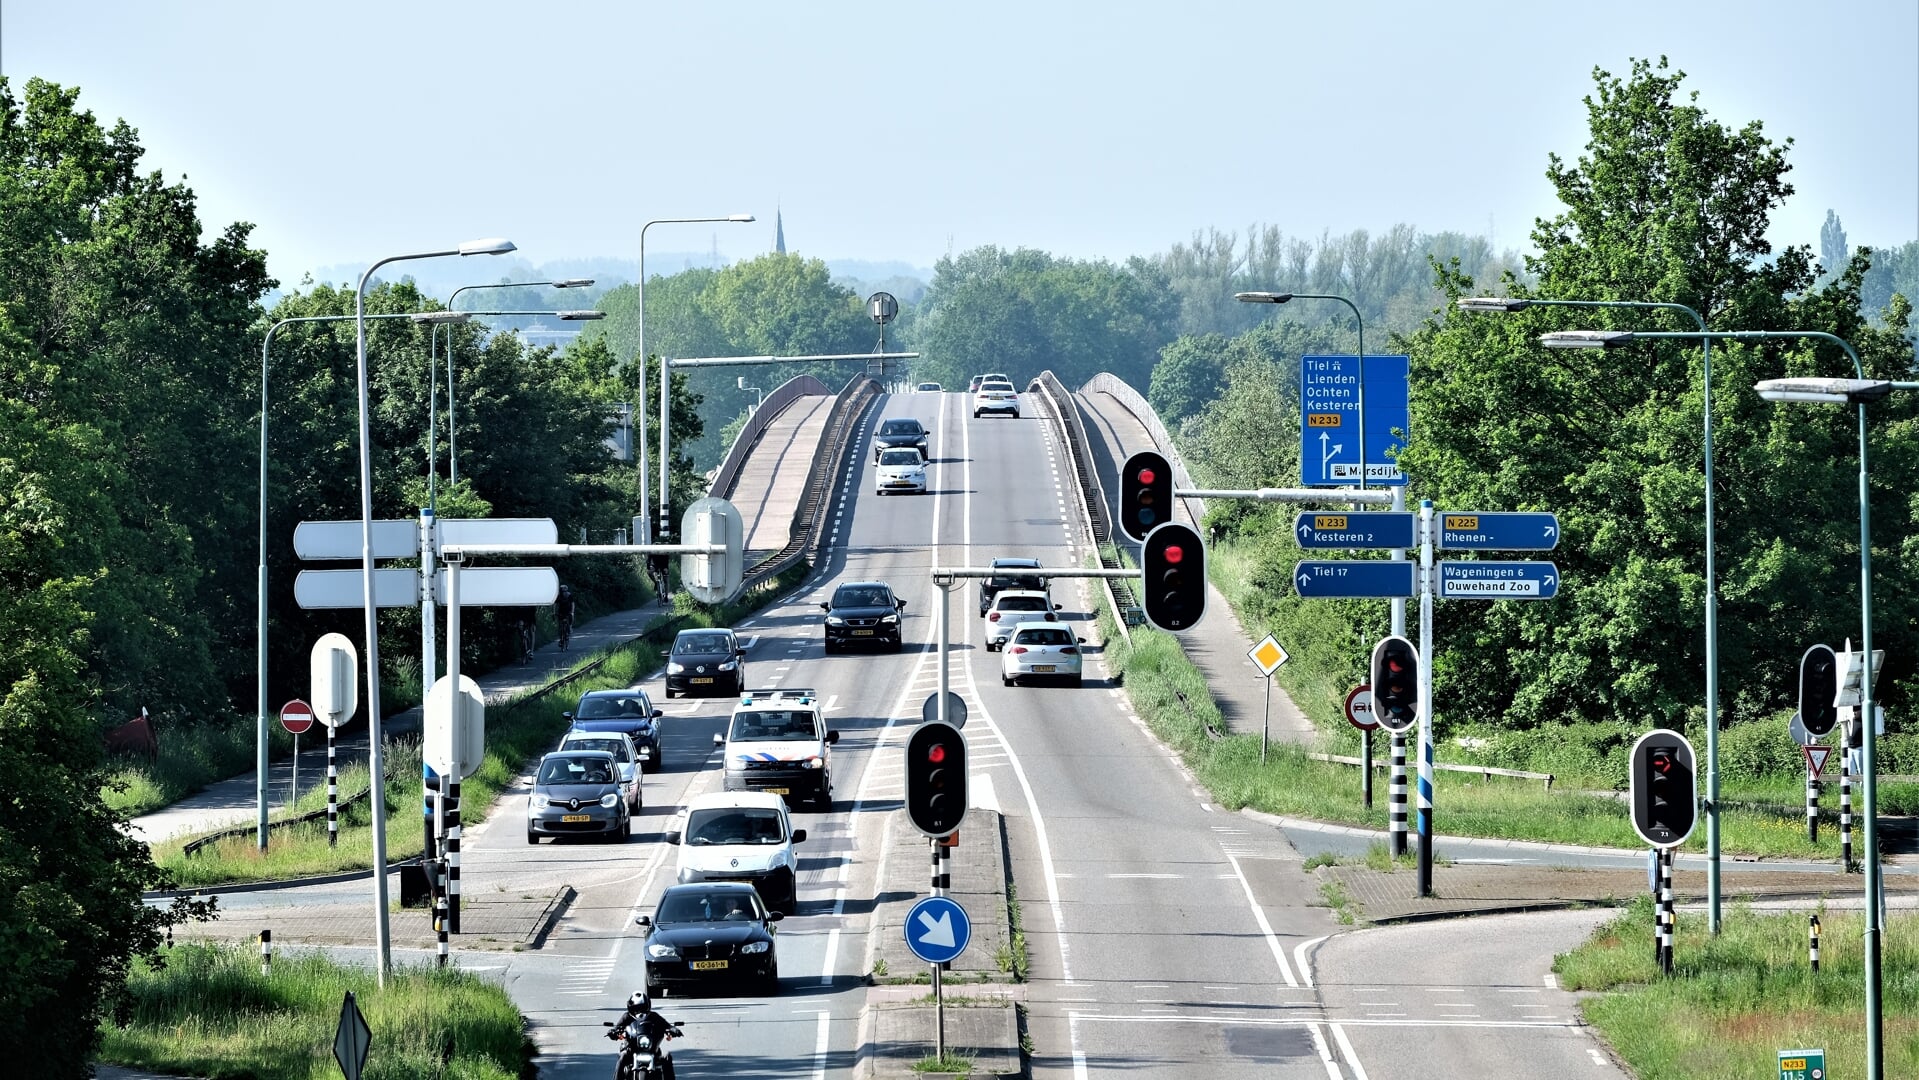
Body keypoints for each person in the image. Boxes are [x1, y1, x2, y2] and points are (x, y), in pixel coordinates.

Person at [609, 991, 679, 1080]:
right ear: (630, 1008)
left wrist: (673, 1029)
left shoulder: (653, 1016)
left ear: (648, 1007)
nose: (639, 1011)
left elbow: (666, 1025)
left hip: (652, 1047)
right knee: (622, 1057)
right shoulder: (627, 1017)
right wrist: (614, 1031)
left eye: (642, 1008)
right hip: (631, 1048)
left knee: (667, 1058)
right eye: (636, 1008)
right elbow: (618, 1027)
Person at [554, 585, 576, 650]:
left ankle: (570, 628)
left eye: (565, 591)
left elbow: (572, 604)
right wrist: (554, 612)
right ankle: (561, 639)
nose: (564, 592)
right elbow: (555, 604)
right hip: (561, 612)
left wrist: (572, 611)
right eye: (563, 591)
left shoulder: (569, 595)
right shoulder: (559, 596)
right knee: (560, 626)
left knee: (570, 620)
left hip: (568, 612)